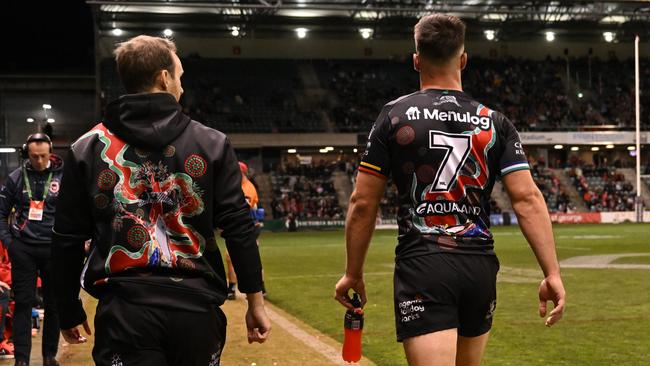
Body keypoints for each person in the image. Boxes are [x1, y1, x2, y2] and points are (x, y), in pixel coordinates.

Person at [335, 14, 566, 366]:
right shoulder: (495, 121)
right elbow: (528, 199)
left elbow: (363, 202)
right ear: (463, 59)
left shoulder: (394, 116)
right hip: (479, 267)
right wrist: (552, 273)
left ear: (416, 60)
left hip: (424, 262)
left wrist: (353, 273)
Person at [51, 35, 270, 366]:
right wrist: (256, 301)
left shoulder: (87, 147)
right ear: (164, 78)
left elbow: (66, 239)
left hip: (124, 312)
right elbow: (239, 227)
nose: (181, 86)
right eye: (179, 75)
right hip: (196, 311)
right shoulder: (211, 142)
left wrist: (67, 308)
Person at [0, 133, 62, 366]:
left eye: (43, 156)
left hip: (53, 248)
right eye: (34, 156)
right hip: (23, 248)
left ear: (51, 153)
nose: (38, 160)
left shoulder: (62, 178)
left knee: (53, 304)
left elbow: (72, 212)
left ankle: (49, 356)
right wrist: (9, 242)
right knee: (24, 303)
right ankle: (22, 359)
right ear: (28, 153)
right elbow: (1, 213)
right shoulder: (16, 178)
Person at [225, 162, 266, 300]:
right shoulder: (240, 186)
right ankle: (234, 287)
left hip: (249, 226)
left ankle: (236, 288)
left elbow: (244, 208)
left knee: (246, 257)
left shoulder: (247, 188)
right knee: (233, 257)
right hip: (247, 226)